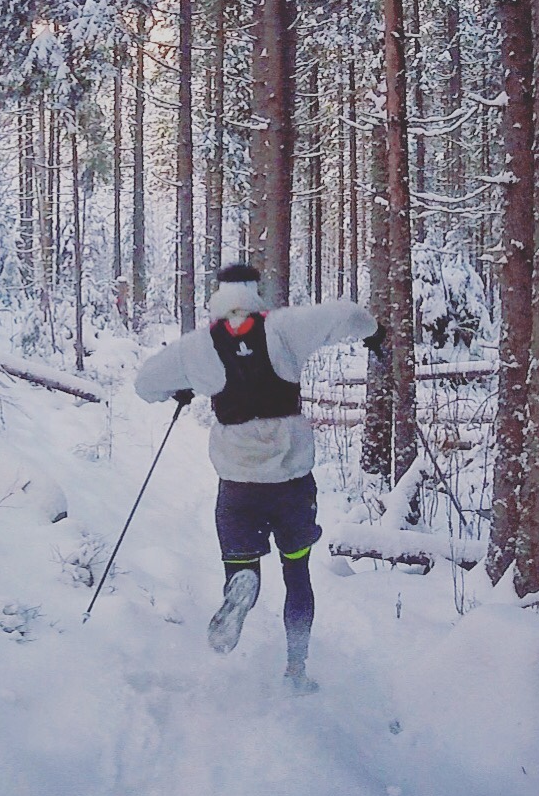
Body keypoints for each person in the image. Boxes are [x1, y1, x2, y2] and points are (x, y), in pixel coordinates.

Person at [134, 262, 387, 693]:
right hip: (291, 482)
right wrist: (374, 335)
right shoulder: (285, 328)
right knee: (298, 574)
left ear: (217, 296)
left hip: (237, 485)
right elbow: (345, 314)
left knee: (240, 561)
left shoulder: (197, 348)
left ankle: (242, 581)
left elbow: (144, 384)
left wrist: (180, 387)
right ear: (255, 291)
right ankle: (296, 670)